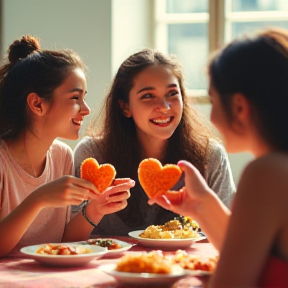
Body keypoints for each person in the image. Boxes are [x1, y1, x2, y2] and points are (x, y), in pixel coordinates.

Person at [150, 27, 288, 287]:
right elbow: (248, 252)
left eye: (213, 101)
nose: (211, 118)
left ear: (239, 106)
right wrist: (202, 207)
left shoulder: (266, 172)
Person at [73, 48, 235, 236]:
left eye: (172, 94)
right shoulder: (92, 154)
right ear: (125, 106)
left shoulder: (211, 155)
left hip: (185, 265)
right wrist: (95, 209)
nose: (164, 107)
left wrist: (203, 209)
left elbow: (230, 239)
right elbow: (68, 239)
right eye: (148, 96)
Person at [0, 35, 134, 258]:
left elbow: (63, 242)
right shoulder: (3, 162)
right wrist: (38, 199)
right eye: (75, 98)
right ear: (37, 104)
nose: (86, 109)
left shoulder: (62, 156)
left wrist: (96, 208)